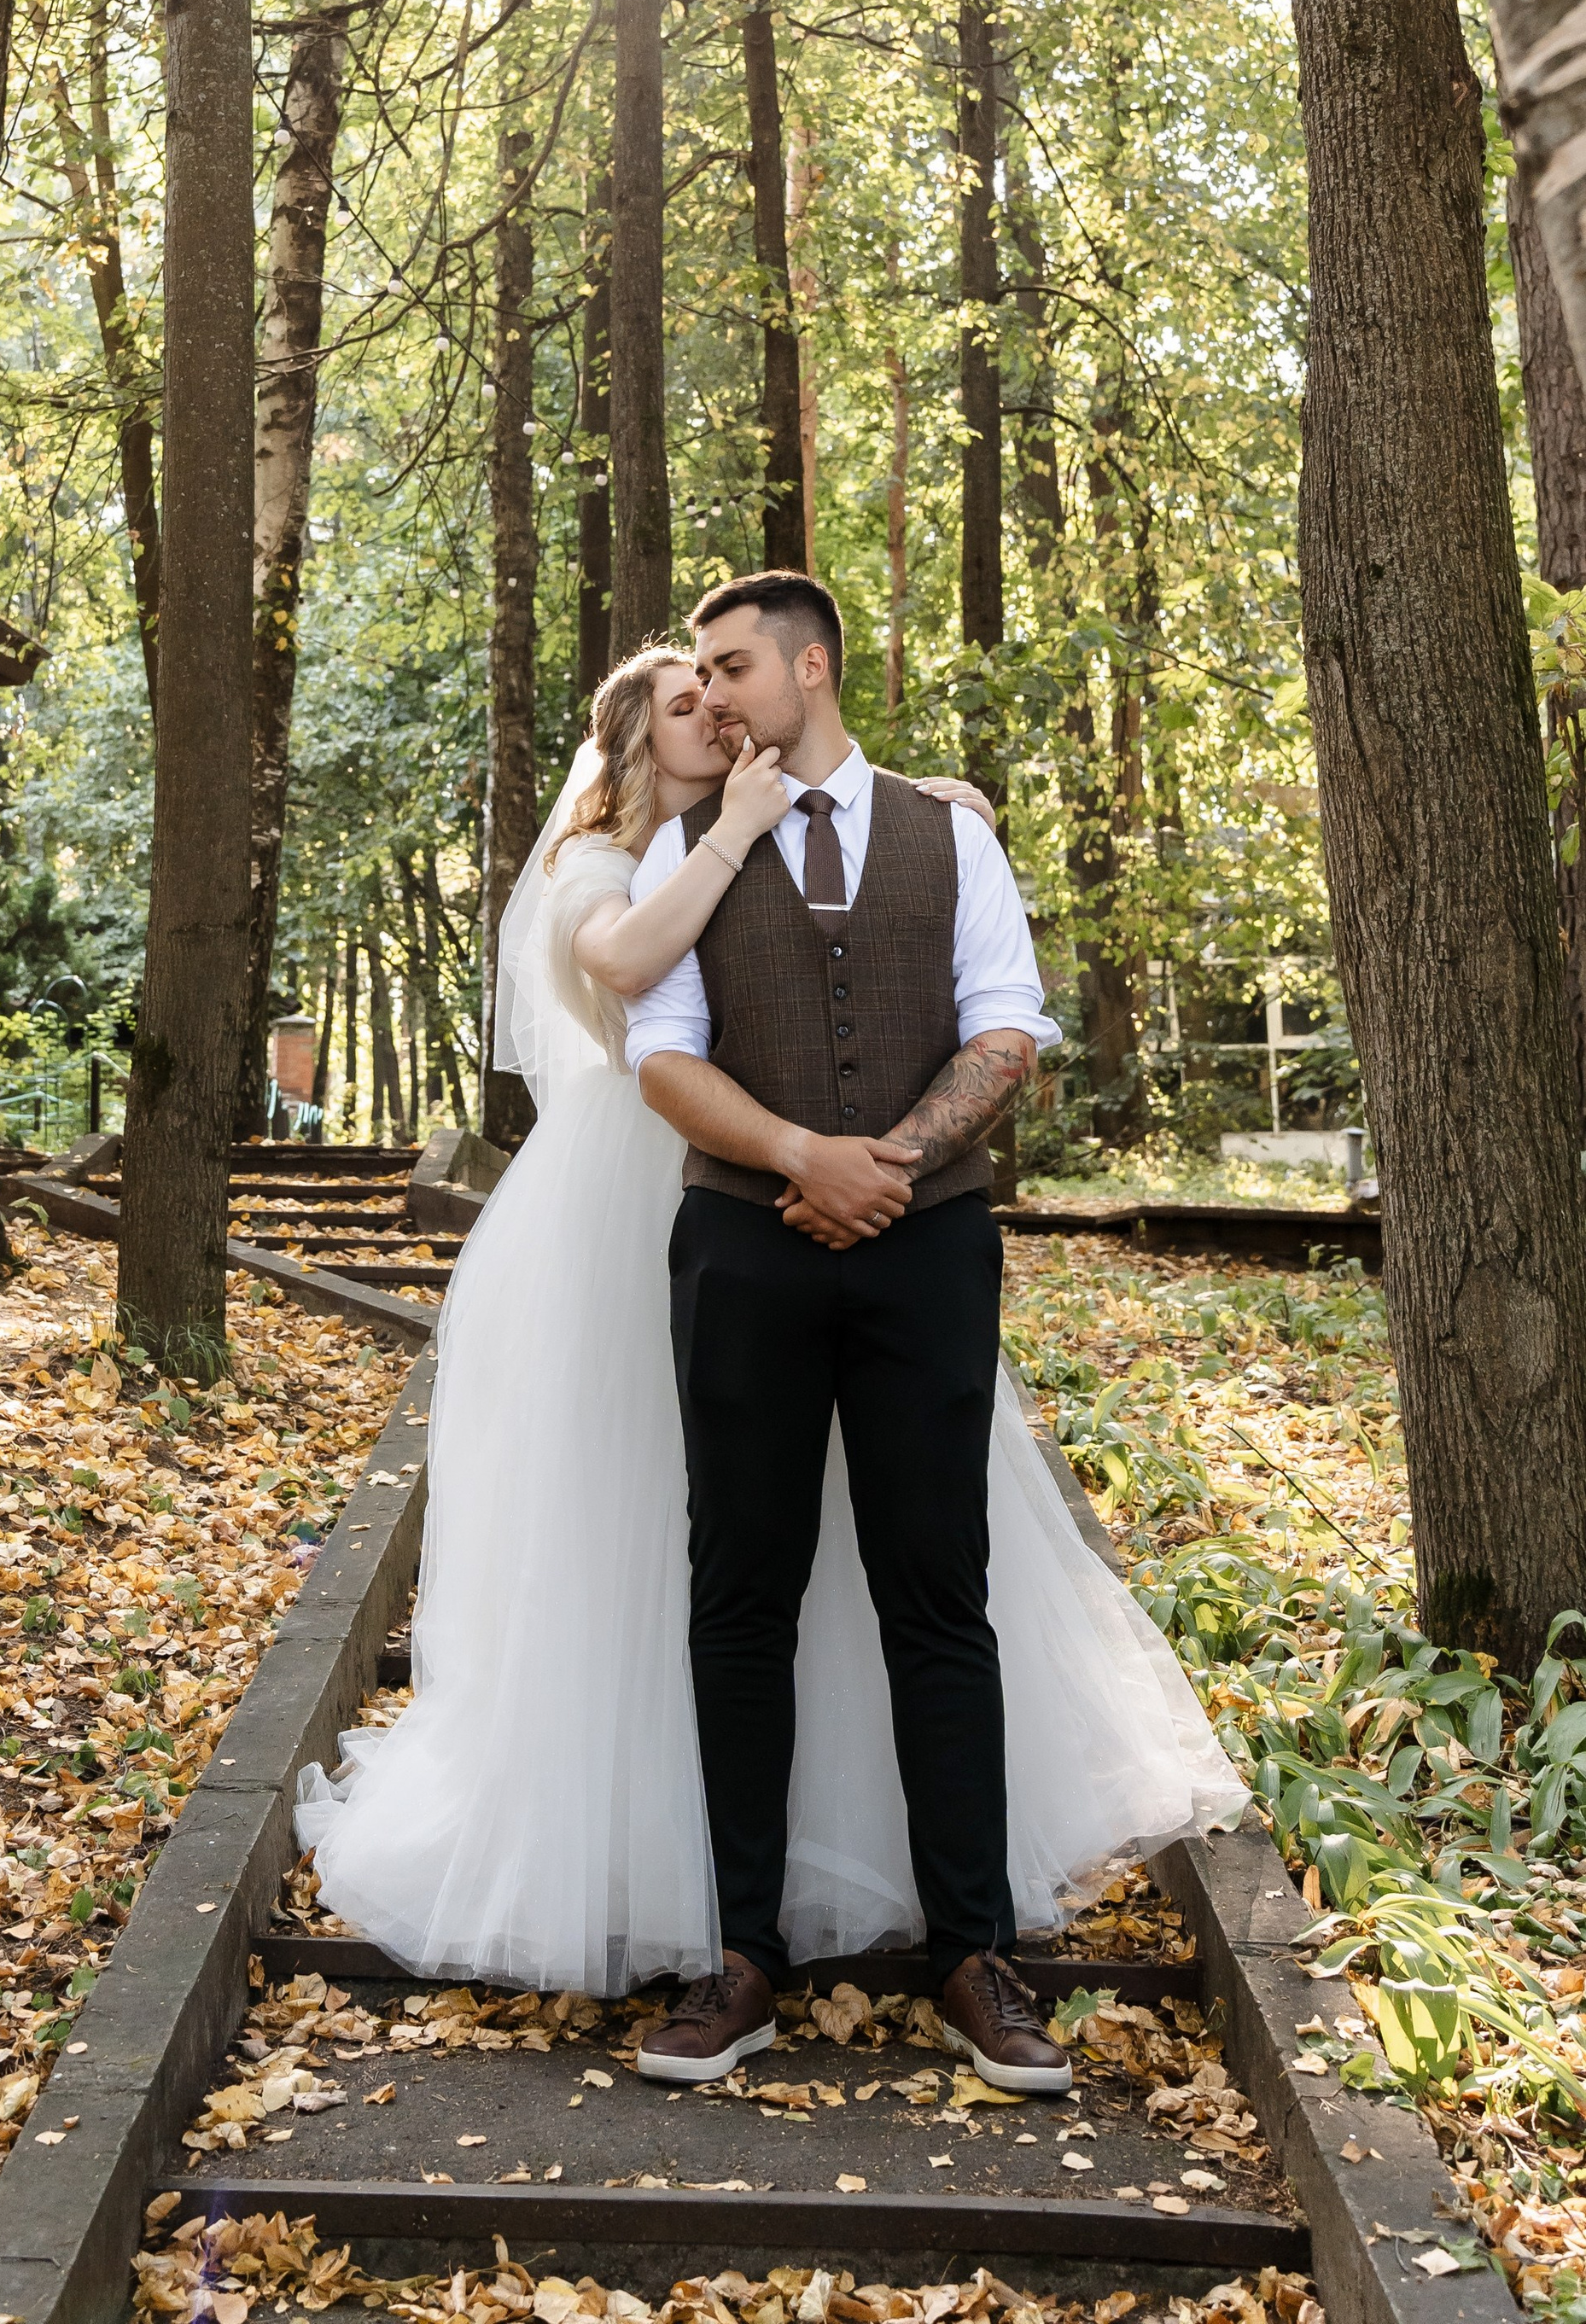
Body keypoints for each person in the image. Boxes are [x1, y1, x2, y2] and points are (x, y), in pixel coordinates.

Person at [295, 603, 1242, 2059]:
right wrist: (808, 1159)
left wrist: (898, 1167)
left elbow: (1007, 1024)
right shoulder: (679, 854)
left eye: (731, 668)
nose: (717, 699)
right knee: (738, 1592)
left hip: (931, 1253)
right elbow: (661, 1050)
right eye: (694, 684)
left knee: (939, 1592)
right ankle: (738, 1955)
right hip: (739, 1248)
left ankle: (976, 1957)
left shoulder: (950, 833)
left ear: (812, 668)